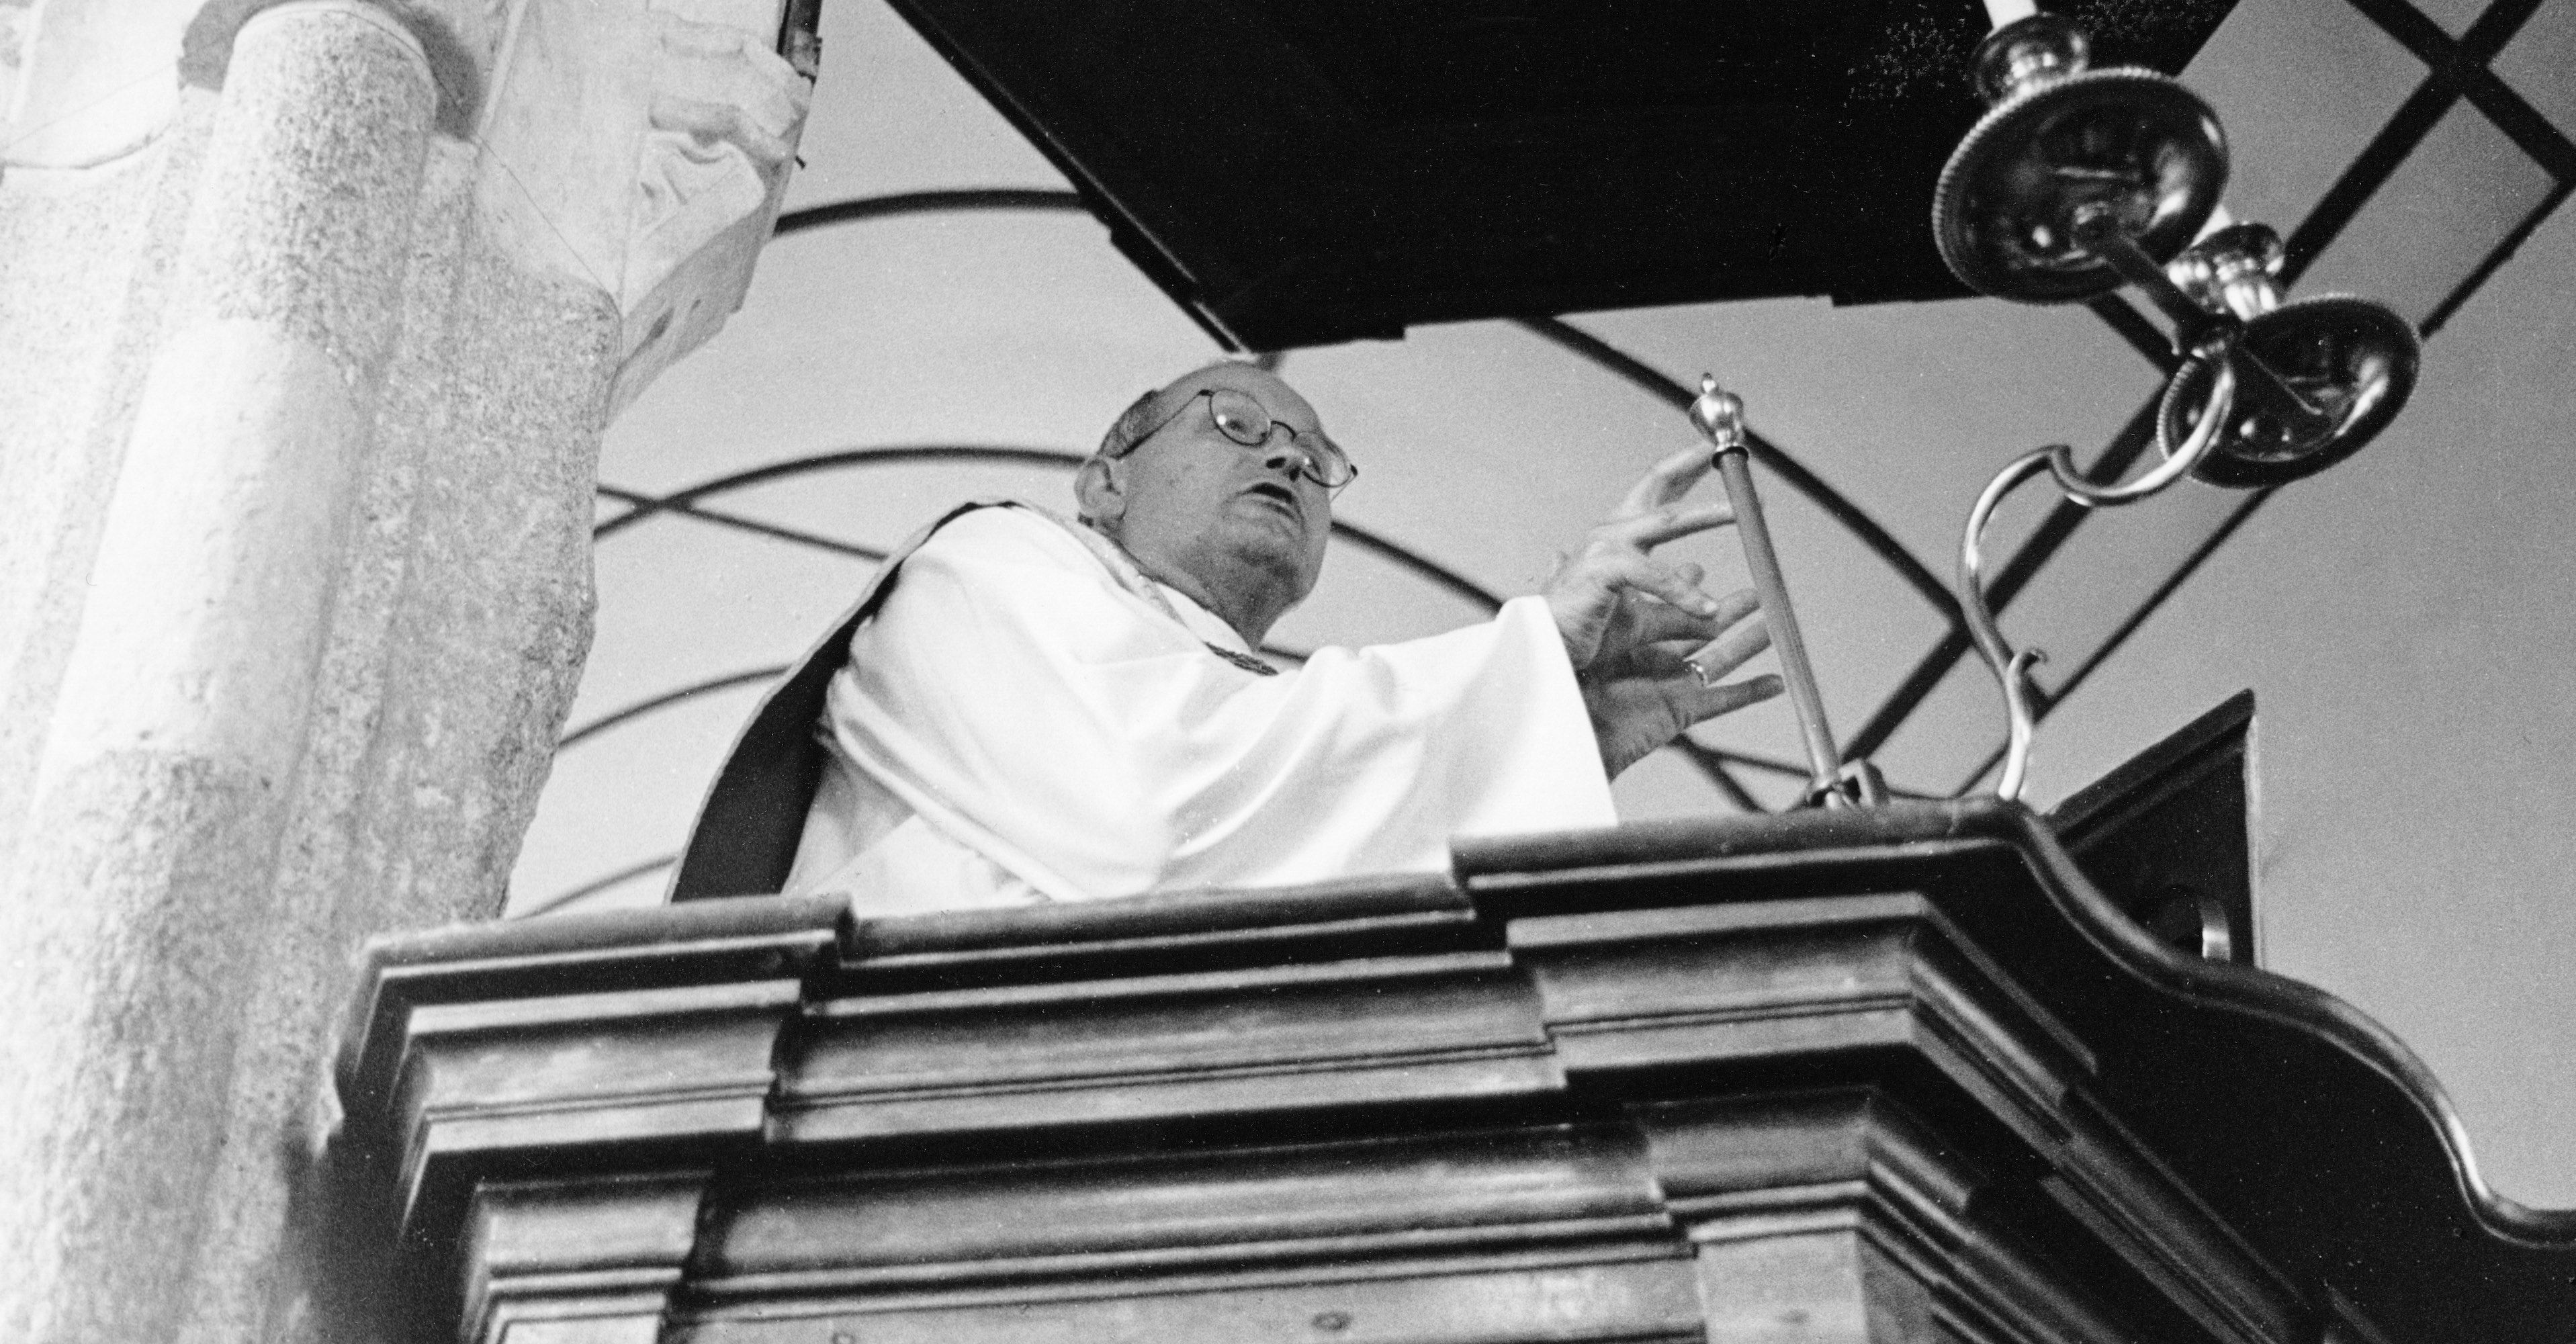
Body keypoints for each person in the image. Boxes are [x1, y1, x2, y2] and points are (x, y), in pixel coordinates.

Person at [669, 359, 1781, 913]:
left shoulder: (1266, 709)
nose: (1290, 460)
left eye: (1315, 456)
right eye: (1239, 427)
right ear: (1105, 477)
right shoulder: (992, 565)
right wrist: (1518, 667)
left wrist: (1548, 729)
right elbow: (1150, 814)